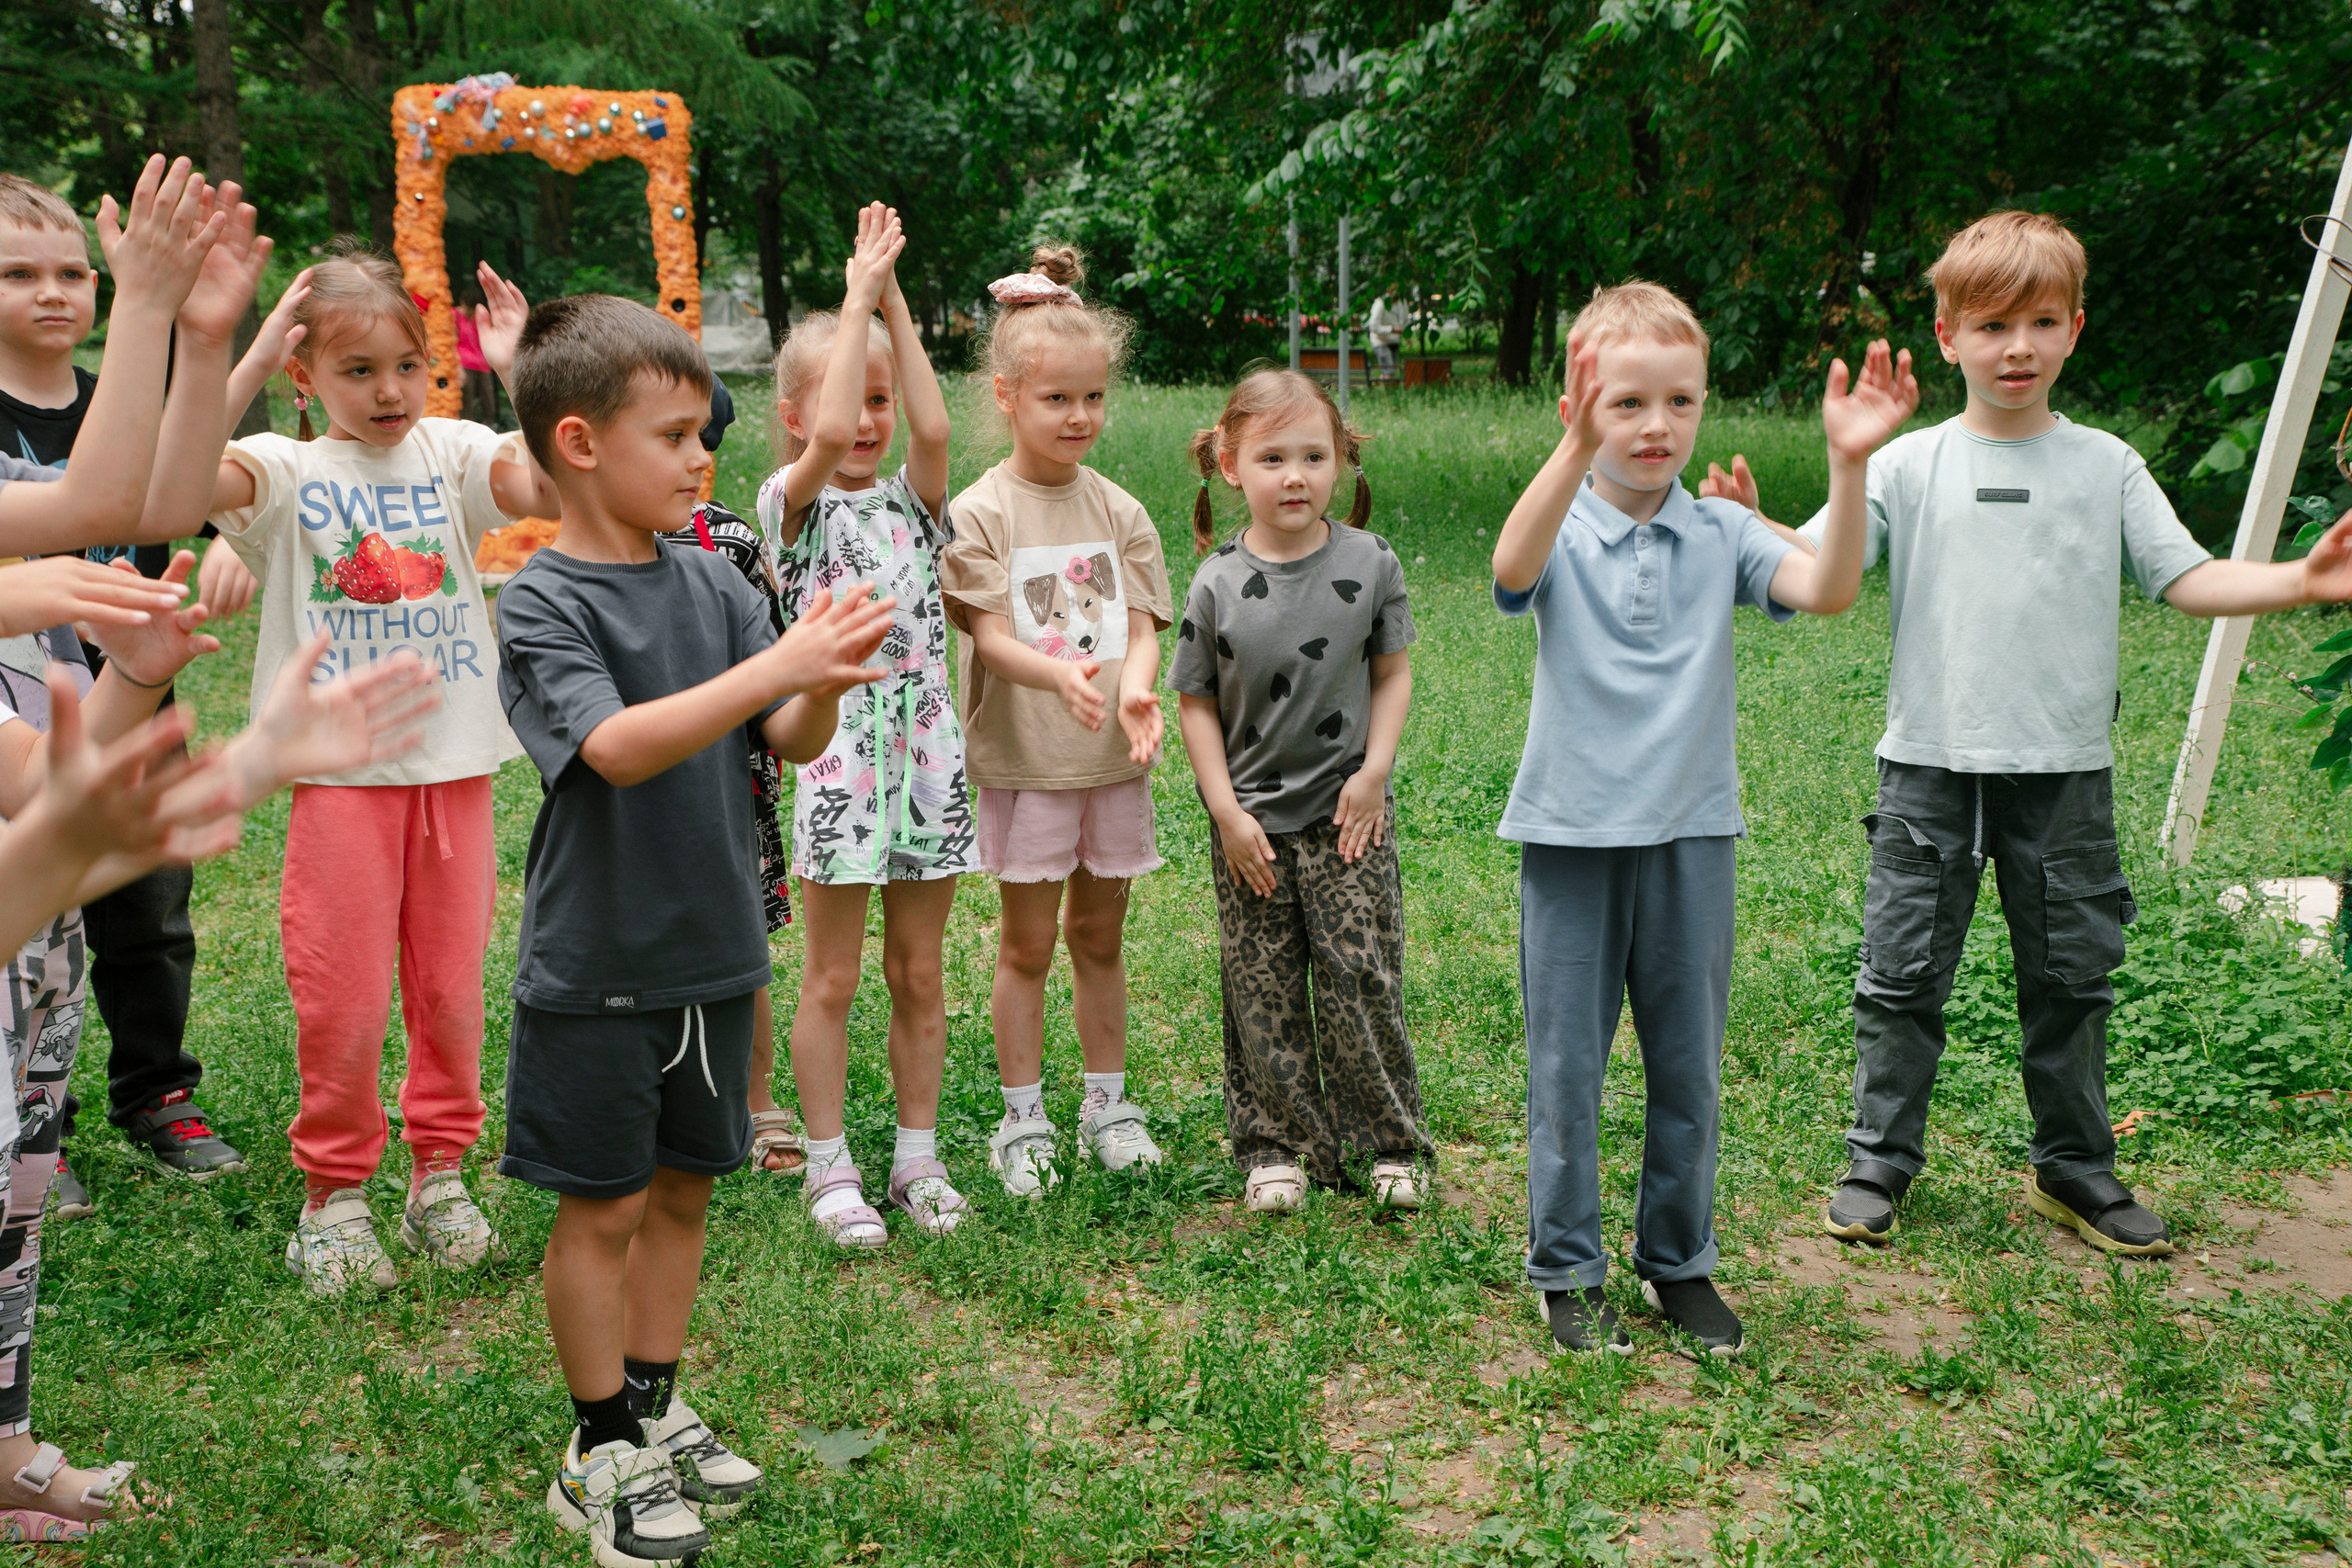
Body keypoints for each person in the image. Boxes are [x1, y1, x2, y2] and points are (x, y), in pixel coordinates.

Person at [1715, 211, 2352, 1258]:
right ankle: (1878, 1160)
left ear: (2074, 330)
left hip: (2063, 776)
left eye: (2041, 321)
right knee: (1901, 976)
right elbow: (1819, 569)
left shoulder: (2105, 464)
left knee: (2069, 982)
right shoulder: (1909, 464)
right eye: (1993, 323)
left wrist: (2298, 578)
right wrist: (1751, 527)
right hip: (1927, 768)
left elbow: (2185, 578)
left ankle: (2075, 1169)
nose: (2018, 345)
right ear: (1949, 332)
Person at [495, 290, 892, 1567]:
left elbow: (783, 737)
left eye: (703, 433)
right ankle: (596, 1440)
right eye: (671, 435)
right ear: (579, 443)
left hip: (718, 950)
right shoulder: (545, 600)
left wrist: (816, 685)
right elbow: (611, 747)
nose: (700, 455)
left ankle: (657, 1401)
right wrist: (779, 668)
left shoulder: (718, 581)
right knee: (600, 1208)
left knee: (682, 1191)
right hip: (599, 966)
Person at [1490, 282, 1916, 1359]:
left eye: (1680, 402)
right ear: (1575, 410)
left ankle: (1677, 1264)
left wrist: (1849, 463)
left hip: (1691, 835)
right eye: (1625, 403)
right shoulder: (1563, 524)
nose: (1656, 427)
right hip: (1573, 836)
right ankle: (1567, 1274)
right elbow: (1510, 571)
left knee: (1687, 1069)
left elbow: (1826, 589)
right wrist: (1569, 452)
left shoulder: (1719, 528)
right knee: (1567, 1071)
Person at [155, 245, 560, 1294]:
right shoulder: (285, 472)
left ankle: (439, 1177)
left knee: (451, 991)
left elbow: (555, 480)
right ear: (306, 379)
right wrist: (241, 353)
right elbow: (180, 480)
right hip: (340, 781)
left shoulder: (456, 451)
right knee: (341, 997)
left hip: (454, 770)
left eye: (408, 366)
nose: (388, 392)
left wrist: (521, 371)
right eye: (357, 370)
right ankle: (332, 1197)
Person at [0, 168, 261, 1214]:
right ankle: (30, 1129)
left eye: (75, 272)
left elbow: (160, 501)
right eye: (19, 273)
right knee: (28, 927)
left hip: (102, 702)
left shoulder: (110, 388)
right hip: (25, 719)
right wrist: (154, 308)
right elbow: (93, 503)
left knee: (123, 921)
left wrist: (199, 342)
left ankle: (109, 1101)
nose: (56, 292)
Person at [754, 204, 970, 1247]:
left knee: (919, 972)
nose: (868, 421)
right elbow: (835, 433)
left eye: (880, 396)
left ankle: (917, 1159)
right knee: (833, 975)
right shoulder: (790, 507)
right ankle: (830, 1168)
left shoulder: (913, 503)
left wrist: (890, 306)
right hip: (839, 755)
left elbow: (931, 430)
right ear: (793, 415)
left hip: (927, 752)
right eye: (851, 399)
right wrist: (850, 304)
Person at [937, 245, 1172, 1198]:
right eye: (1056, 400)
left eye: (1092, 399)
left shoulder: (1120, 509)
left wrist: (1132, 689)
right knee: (1027, 946)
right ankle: (1022, 1116)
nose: (1079, 418)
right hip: (1031, 765)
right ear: (1006, 396)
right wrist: (1060, 676)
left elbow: (1147, 629)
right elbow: (990, 639)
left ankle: (1108, 1106)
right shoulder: (979, 511)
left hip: (1113, 762)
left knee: (1102, 940)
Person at [1172, 367, 1427, 1215]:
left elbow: (1391, 676)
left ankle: (1387, 1143)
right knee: (1262, 984)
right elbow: (1195, 703)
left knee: (1361, 977)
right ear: (1231, 465)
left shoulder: (1371, 562)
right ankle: (1278, 1146)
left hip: (1347, 815)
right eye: (1273, 456)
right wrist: (1224, 812)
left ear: (1341, 462)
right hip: (1251, 827)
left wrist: (1376, 771)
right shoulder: (1215, 582)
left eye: (1314, 455)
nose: (1295, 475)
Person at [656, 381, 805, 1178]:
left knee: (742, 942)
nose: (692, 460)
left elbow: (771, 660)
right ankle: (659, 1093)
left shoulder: (733, 542)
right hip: (641, 783)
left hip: (732, 778)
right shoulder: (589, 544)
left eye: (701, 442)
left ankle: (759, 1098)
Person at [1366, 293, 1405, 380]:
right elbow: (1373, 326)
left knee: (1389, 372)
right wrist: (1392, 329)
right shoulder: (1380, 303)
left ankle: (1383, 390)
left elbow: (1403, 320)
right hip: (1381, 342)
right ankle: (1387, 392)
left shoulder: (1401, 302)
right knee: (1389, 372)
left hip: (1394, 341)